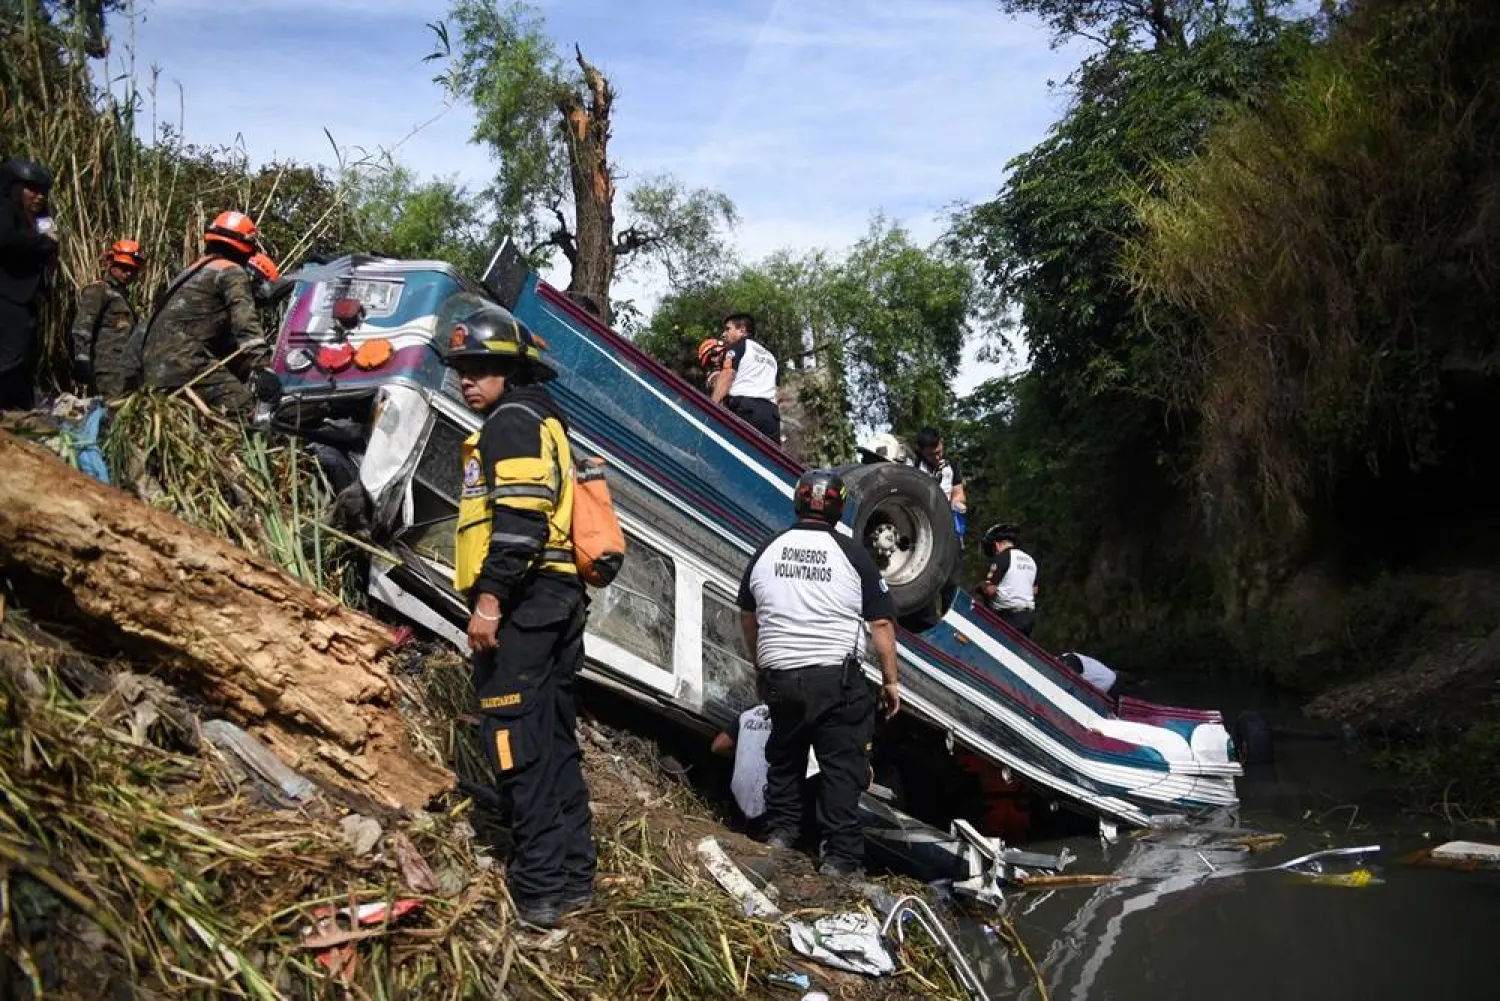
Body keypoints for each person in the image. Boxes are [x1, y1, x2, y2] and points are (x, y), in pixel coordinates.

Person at [445, 296, 595, 930]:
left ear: (511, 369)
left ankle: (537, 894)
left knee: (516, 745)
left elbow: (519, 525)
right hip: (557, 601)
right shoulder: (546, 419)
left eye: (479, 367)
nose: (466, 379)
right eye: (460, 368)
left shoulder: (510, 421)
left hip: (526, 604)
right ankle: (574, 878)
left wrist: (488, 602)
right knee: (555, 741)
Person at [738, 468, 901, 878]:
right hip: (835, 680)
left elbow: (747, 613)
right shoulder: (853, 554)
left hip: (780, 677)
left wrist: (762, 664)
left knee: (786, 757)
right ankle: (840, 859)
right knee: (842, 766)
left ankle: (780, 835)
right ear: (840, 507)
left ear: (798, 502)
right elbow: (881, 624)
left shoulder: (768, 550)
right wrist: (891, 680)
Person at [141, 210, 279, 416]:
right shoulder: (232, 271)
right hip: (184, 362)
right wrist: (263, 368)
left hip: (151, 365)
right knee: (246, 409)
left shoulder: (194, 270)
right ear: (246, 247)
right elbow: (245, 323)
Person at [0, 159, 59, 411]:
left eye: (43, 192)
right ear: (13, 187)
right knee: (10, 358)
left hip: (23, 301)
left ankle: (18, 410)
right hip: (6, 297)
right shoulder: (4, 209)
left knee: (24, 357)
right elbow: (5, 239)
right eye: (32, 189)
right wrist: (43, 241)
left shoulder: (35, 220)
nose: (39, 197)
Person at [71, 239, 145, 397]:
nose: (129, 273)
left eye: (133, 269)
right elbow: (83, 325)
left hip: (124, 369)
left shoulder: (122, 298)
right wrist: (82, 358)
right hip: (107, 371)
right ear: (111, 263)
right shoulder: (98, 291)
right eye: (124, 267)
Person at [710, 312, 780, 442]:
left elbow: (728, 375)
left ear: (742, 330)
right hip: (771, 417)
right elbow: (777, 393)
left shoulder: (737, 347)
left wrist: (711, 408)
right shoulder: (771, 357)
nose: (724, 334)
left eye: (728, 329)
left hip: (746, 411)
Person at [978, 522, 1038, 636]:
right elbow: (1034, 590)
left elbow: (991, 590)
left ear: (996, 544)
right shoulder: (1029, 559)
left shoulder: (1003, 557)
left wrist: (982, 586)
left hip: (1008, 617)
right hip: (1028, 618)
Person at [912, 427, 967, 517]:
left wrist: (957, 504)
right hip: (921, 517)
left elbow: (959, 493)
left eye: (938, 452)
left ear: (941, 442)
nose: (937, 457)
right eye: (931, 455)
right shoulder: (914, 465)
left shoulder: (952, 464)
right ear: (921, 451)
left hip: (945, 517)